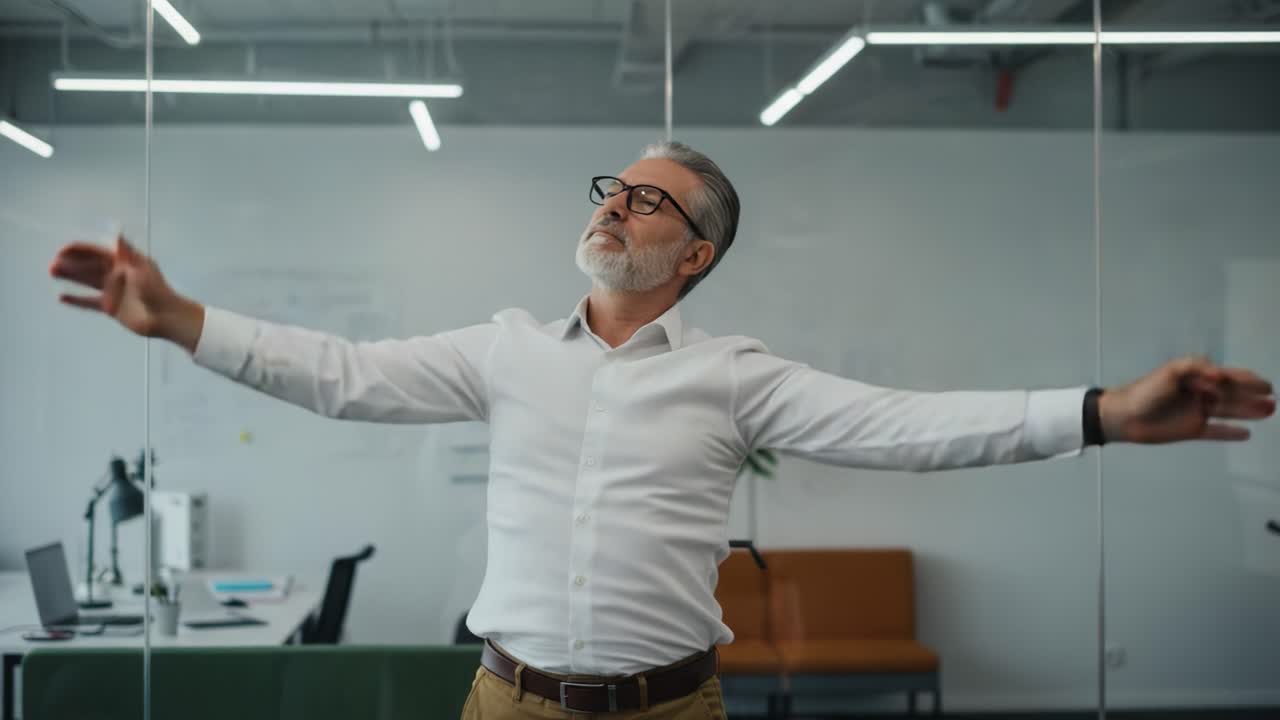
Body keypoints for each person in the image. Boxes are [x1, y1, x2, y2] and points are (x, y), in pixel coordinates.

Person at [49, 141, 1274, 719]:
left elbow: (906, 427)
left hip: (671, 713)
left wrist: (1104, 415)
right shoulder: (507, 349)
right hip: (505, 705)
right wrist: (180, 320)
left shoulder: (734, 378)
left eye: (651, 201)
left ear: (690, 256)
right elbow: (344, 374)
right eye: (614, 187)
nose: (619, 203)